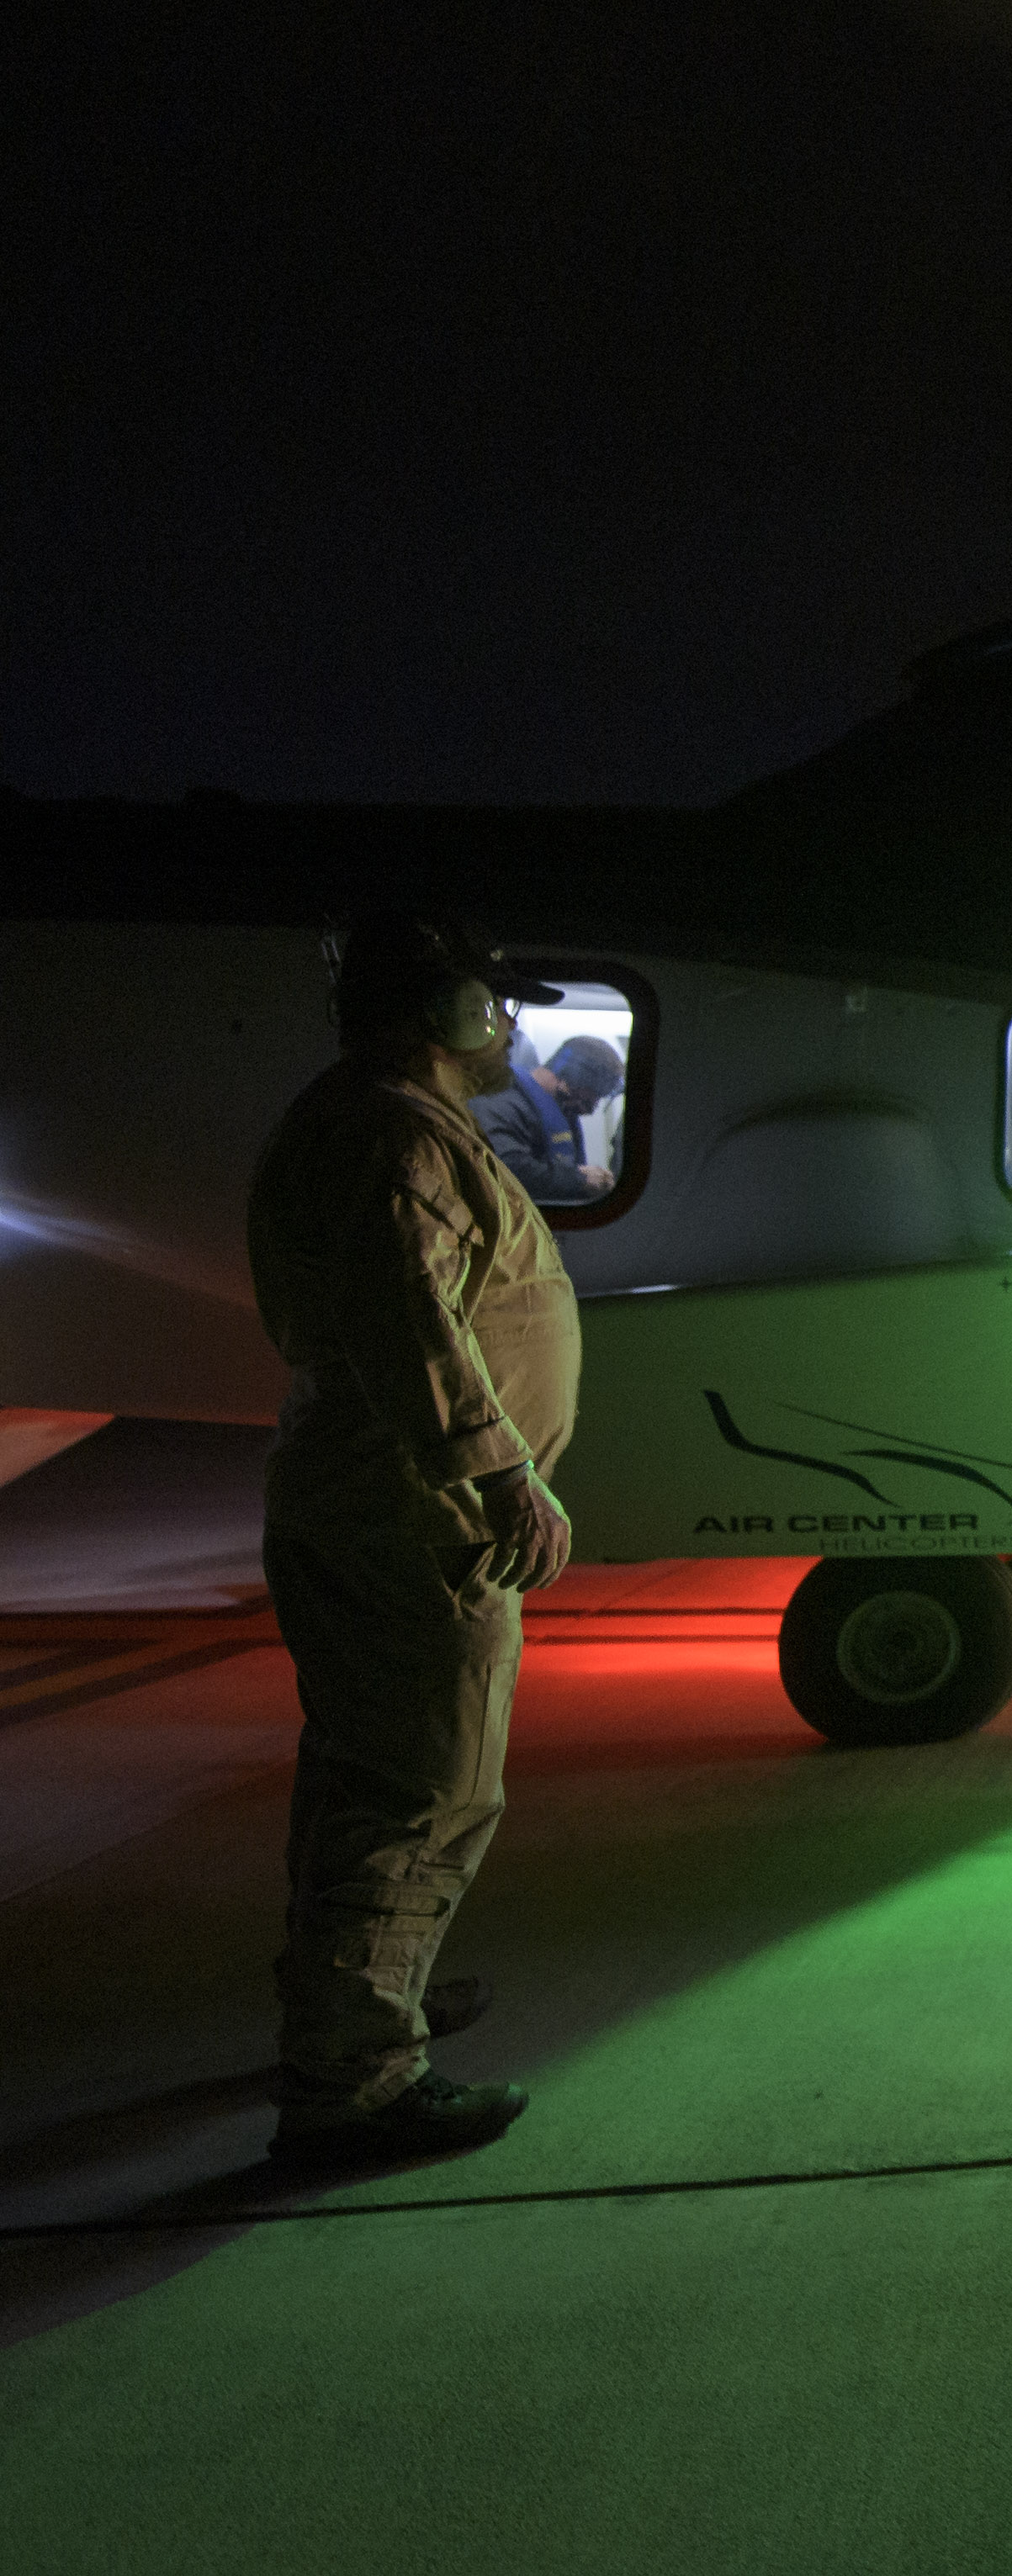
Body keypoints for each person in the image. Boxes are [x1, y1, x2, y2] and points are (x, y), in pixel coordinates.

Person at [246, 909, 583, 2166]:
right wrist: (502, 1475)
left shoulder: (377, 1119)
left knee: (362, 1772)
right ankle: (353, 2087)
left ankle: (359, 1997)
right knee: (422, 1794)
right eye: (491, 1004)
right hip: (412, 1515)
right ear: (437, 1014)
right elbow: (412, 1322)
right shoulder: (394, 1134)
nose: (506, 1027)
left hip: (377, 1502)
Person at [473, 1029, 613, 1203]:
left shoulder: (562, 1109)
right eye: (593, 1095)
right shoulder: (500, 1103)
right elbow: (507, 1167)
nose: (591, 1108)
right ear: (571, 1081)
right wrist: (579, 1180)